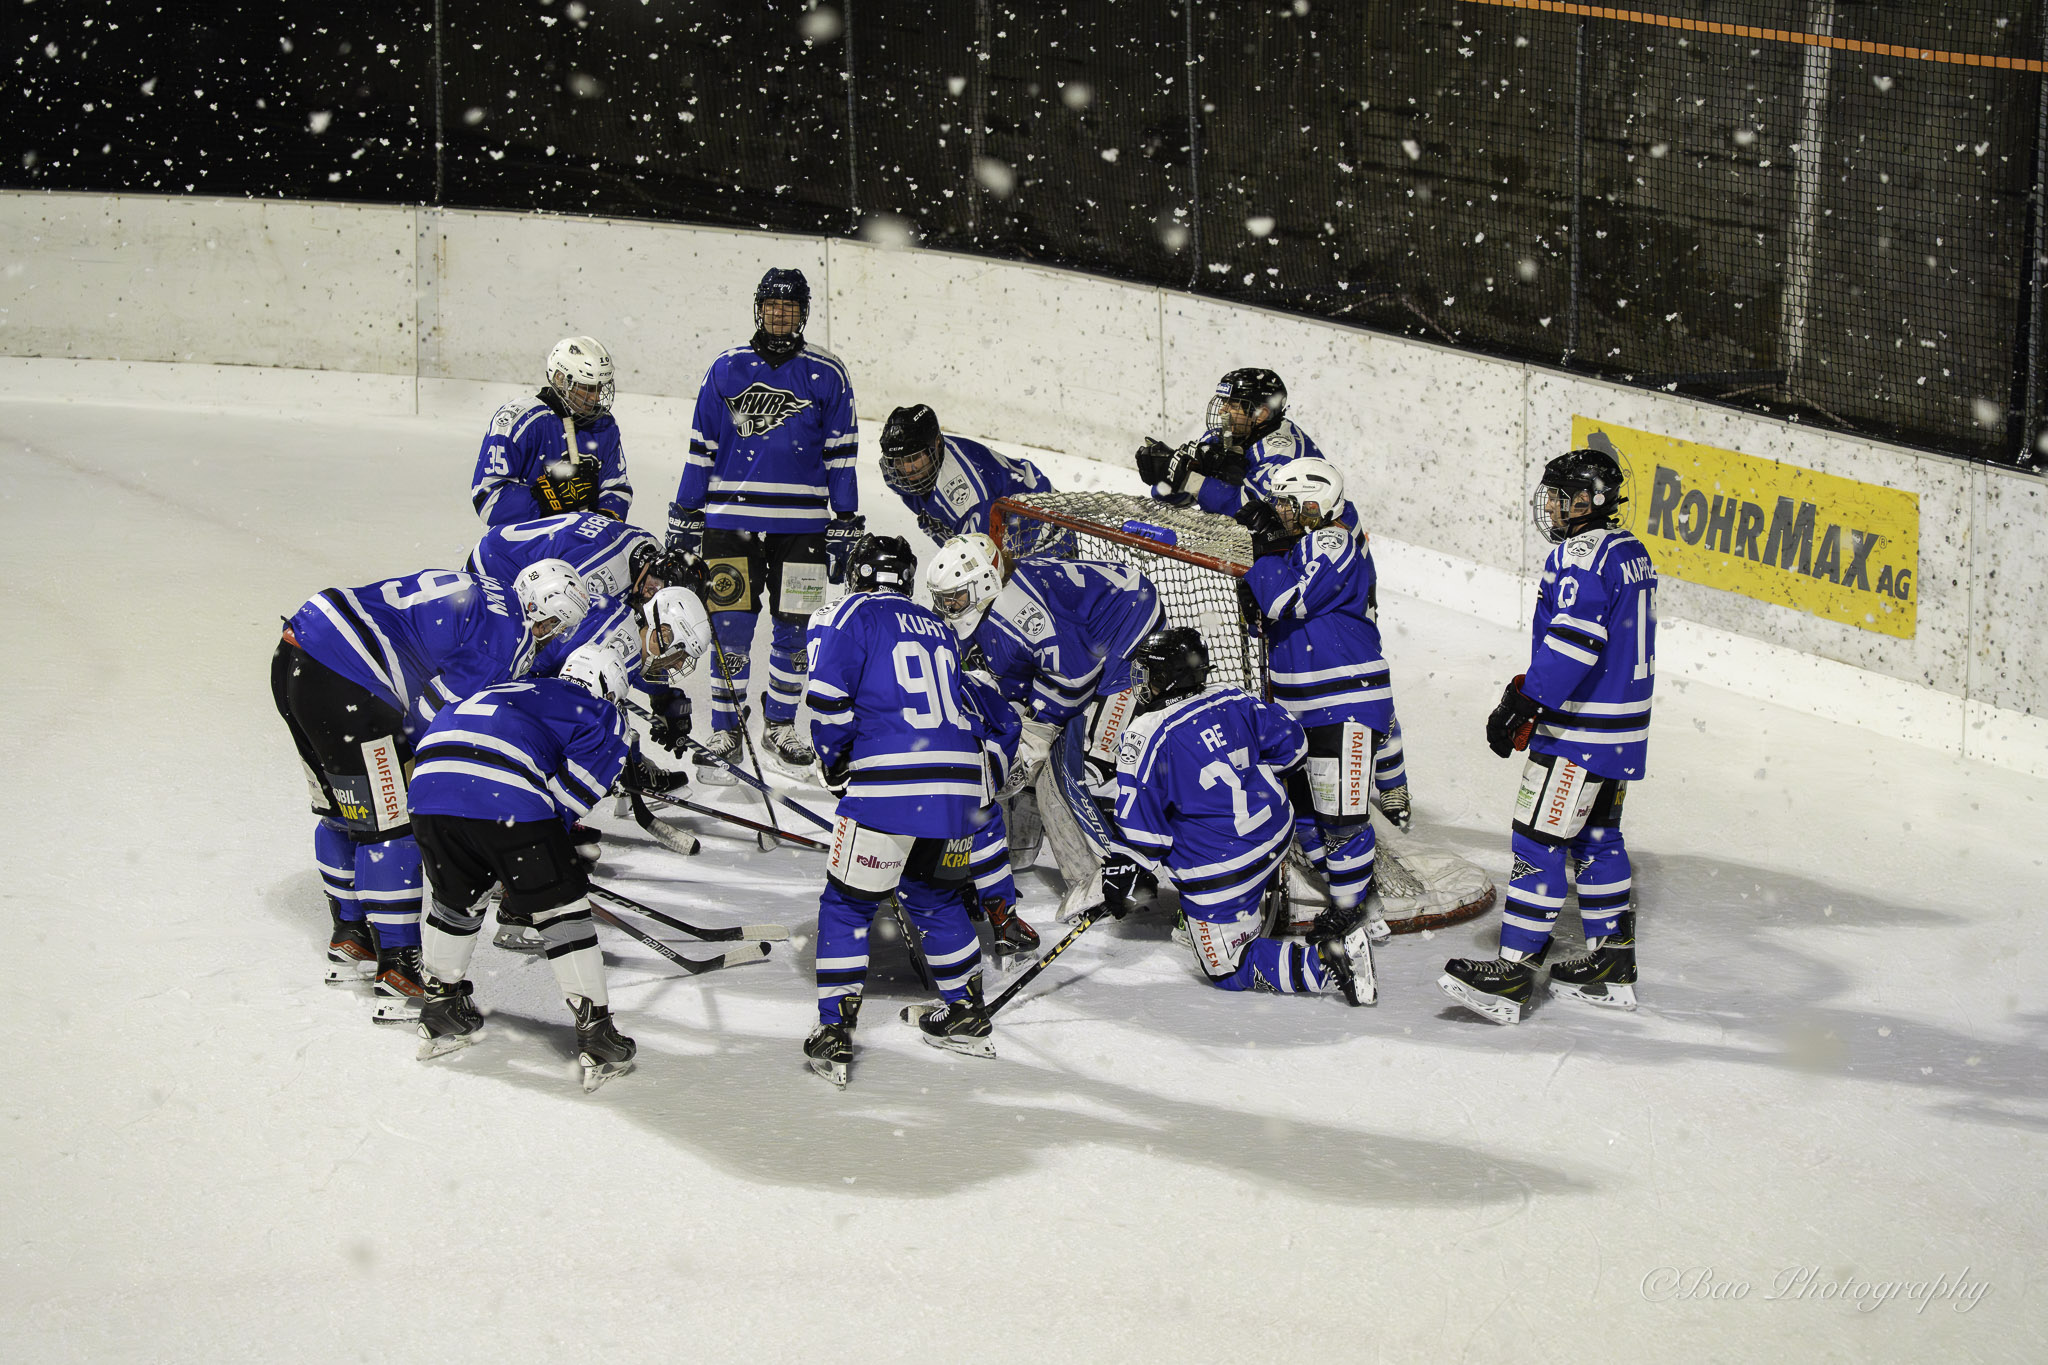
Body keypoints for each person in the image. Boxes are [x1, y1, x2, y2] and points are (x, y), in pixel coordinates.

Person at [270, 560, 591, 1019]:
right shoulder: (510, 636)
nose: (552, 634)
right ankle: (398, 970)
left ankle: (351, 937)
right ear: (541, 610)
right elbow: (430, 718)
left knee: (343, 812)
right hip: (348, 680)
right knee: (391, 826)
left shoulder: (490, 591)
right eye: (556, 622)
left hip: (296, 657)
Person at [1137, 370, 1413, 826]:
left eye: (1234, 406)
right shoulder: (1234, 434)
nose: (1224, 412)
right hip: (1276, 563)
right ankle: (1308, 757)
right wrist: (1168, 475)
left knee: (1355, 667)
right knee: (1282, 652)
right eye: (1223, 403)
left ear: (1261, 413)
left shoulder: (1278, 450)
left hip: (1330, 568)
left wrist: (1191, 481)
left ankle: (1391, 777)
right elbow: (1178, 490)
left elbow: (1251, 509)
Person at [1440, 448, 1656, 1025]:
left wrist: (1523, 702)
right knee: (1599, 840)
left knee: (1538, 845)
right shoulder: (1631, 550)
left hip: (1579, 732)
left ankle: (1511, 976)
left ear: (1586, 501)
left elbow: (1575, 643)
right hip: (1621, 730)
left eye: (1559, 496)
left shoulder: (1578, 556)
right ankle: (1611, 967)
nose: (1552, 508)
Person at [800, 534, 1021, 1088]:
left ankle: (834, 1028)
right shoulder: (939, 626)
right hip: (959, 791)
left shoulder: (851, 612)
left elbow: (827, 700)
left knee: (848, 906)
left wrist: (835, 759)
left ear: (858, 575)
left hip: (890, 785)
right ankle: (966, 1011)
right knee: (937, 897)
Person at [409, 646, 644, 1091]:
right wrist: (534, 879)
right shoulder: (602, 712)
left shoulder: (510, 687)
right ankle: (597, 1036)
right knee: (563, 908)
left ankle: (440, 1011)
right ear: (608, 688)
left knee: (455, 900)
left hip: (429, 790)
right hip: (504, 795)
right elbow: (567, 803)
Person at [1104, 627, 1376, 1005]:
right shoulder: (1233, 696)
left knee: (1228, 968)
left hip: (1223, 871)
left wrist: (1123, 868)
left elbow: (1144, 832)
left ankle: (1326, 961)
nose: (1143, 683)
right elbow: (1293, 749)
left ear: (1166, 678)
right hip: (1275, 836)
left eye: (1149, 673)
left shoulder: (1145, 732)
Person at [666, 268, 861, 781]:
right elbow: (700, 447)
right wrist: (686, 511)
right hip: (731, 522)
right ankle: (727, 727)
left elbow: (842, 455)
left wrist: (845, 518)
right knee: (729, 629)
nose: (780, 315)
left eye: (789, 307)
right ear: (758, 309)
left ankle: (780, 725)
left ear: (803, 313)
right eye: (772, 306)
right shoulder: (726, 369)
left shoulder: (827, 373)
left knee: (795, 631)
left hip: (803, 530)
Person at [924, 532, 1163, 923]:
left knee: (1076, 772)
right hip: (1089, 639)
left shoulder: (1019, 615)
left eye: (955, 598)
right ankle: (1019, 847)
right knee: (1022, 748)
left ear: (985, 582)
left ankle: (1114, 874)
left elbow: (1073, 675)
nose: (949, 607)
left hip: (1127, 634)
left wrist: (1037, 728)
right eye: (943, 598)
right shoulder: (991, 605)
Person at [1241, 458, 1396, 937]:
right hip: (1301, 706)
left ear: (1315, 503)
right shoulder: (1301, 548)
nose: (1280, 513)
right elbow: (1270, 612)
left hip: (1342, 703)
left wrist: (1263, 557)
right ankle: (1351, 895)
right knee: (1304, 811)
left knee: (1341, 819)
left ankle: (1351, 912)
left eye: (1288, 504)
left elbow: (1292, 601)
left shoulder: (1333, 539)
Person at [471, 337, 631, 525]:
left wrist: (599, 529)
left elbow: (616, 488)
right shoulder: (520, 420)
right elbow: (487, 500)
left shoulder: (604, 425)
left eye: (599, 388)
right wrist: (548, 499)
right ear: (560, 379)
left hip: (580, 544)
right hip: (523, 543)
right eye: (587, 388)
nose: (595, 397)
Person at [878, 402, 1053, 545]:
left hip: (1044, 531)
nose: (907, 469)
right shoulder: (898, 474)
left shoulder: (967, 492)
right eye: (899, 461)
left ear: (937, 444)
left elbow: (984, 561)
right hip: (1002, 526)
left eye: (914, 458)